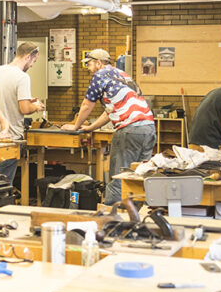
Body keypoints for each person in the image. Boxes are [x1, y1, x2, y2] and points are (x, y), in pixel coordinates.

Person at [62, 49, 155, 205]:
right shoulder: (122, 75)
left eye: (90, 64)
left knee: (119, 178)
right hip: (148, 129)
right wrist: (90, 128)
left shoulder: (100, 75)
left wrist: (75, 126)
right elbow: (109, 112)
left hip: (129, 131)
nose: (89, 69)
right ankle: (139, 215)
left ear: (99, 63)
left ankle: (109, 220)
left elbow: (86, 105)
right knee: (140, 177)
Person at [0, 42, 46, 183]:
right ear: (27, 57)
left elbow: (5, 97)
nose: (32, 65)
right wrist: (36, 106)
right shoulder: (22, 77)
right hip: (11, 138)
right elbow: (24, 109)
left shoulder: (0, 70)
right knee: (3, 186)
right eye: (34, 61)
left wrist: (27, 101)